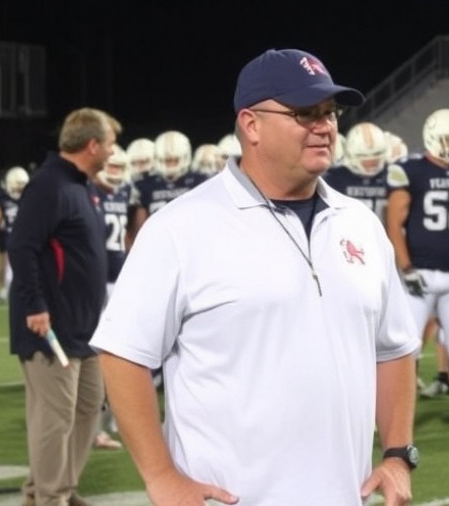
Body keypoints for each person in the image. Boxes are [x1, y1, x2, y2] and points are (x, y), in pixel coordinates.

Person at [91, 48, 419, 505]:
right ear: (251, 124)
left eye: (330, 112)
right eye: (305, 113)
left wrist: (399, 454)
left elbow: (395, 348)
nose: (324, 126)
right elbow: (123, 353)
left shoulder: (360, 223)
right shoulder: (180, 227)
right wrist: (161, 475)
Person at [9, 107, 120, 505]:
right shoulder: (49, 185)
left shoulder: (82, 185)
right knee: (54, 419)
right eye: (109, 143)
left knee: (89, 407)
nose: (112, 151)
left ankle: (53, 490)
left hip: (85, 327)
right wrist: (35, 306)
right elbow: (22, 248)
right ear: (92, 145)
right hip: (50, 327)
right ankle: (51, 497)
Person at [386, 107, 449, 432]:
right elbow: (395, 223)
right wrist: (406, 267)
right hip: (421, 275)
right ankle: (399, 417)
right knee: (407, 346)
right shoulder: (411, 170)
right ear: (433, 137)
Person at [90, 145, 134, 451]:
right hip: (96, 282)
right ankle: (95, 426)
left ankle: (113, 419)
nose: (116, 173)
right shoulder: (90, 193)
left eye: (121, 167)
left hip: (119, 280)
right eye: (112, 167)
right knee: (98, 354)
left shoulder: (120, 194)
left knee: (121, 351)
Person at [322, 121, 390, 221]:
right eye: (364, 158)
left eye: (376, 156)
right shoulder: (334, 179)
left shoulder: (392, 175)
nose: (370, 164)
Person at [0, 166, 29, 304]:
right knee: (6, 265)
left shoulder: (30, 195)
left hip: (23, 234)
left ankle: (8, 292)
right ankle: (4, 291)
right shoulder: (1, 197)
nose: (19, 189)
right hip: (9, 234)